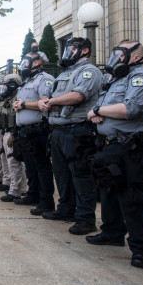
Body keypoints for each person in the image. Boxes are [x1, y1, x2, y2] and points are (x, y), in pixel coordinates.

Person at [86, 41, 143, 268]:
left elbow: (130, 109)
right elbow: (94, 108)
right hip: (109, 145)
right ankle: (112, 232)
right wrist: (96, 112)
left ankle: (141, 248)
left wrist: (100, 111)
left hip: (132, 147)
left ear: (135, 57)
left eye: (121, 54)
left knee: (132, 196)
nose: (115, 57)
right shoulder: (114, 80)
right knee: (108, 190)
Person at [38, 37, 102, 235]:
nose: (68, 52)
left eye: (72, 48)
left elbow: (77, 96)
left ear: (84, 51)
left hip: (78, 130)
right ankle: (66, 209)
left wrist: (53, 101)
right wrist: (44, 101)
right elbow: (48, 95)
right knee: (62, 174)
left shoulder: (89, 71)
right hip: (58, 130)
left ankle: (85, 218)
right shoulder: (65, 73)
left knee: (81, 175)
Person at [12, 51, 55, 214]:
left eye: (27, 61)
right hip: (25, 131)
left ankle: (46, 202)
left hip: (38, 129)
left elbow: (45, 102)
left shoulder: (45, 79)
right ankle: (33, 195)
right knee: (30, 167)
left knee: (42, 167)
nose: (24, 64)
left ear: (37, 62)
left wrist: (23, 105)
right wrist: (17, 106)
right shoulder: (27, 81)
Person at [0, 74, 28, 202]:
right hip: (7, 131)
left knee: (14, 162)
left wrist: (14, 134)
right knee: (13, 162)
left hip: (13, 132)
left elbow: (18, 118)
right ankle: (21, 188)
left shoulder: (18, 96)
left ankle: (15, 191)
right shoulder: (9, 98)